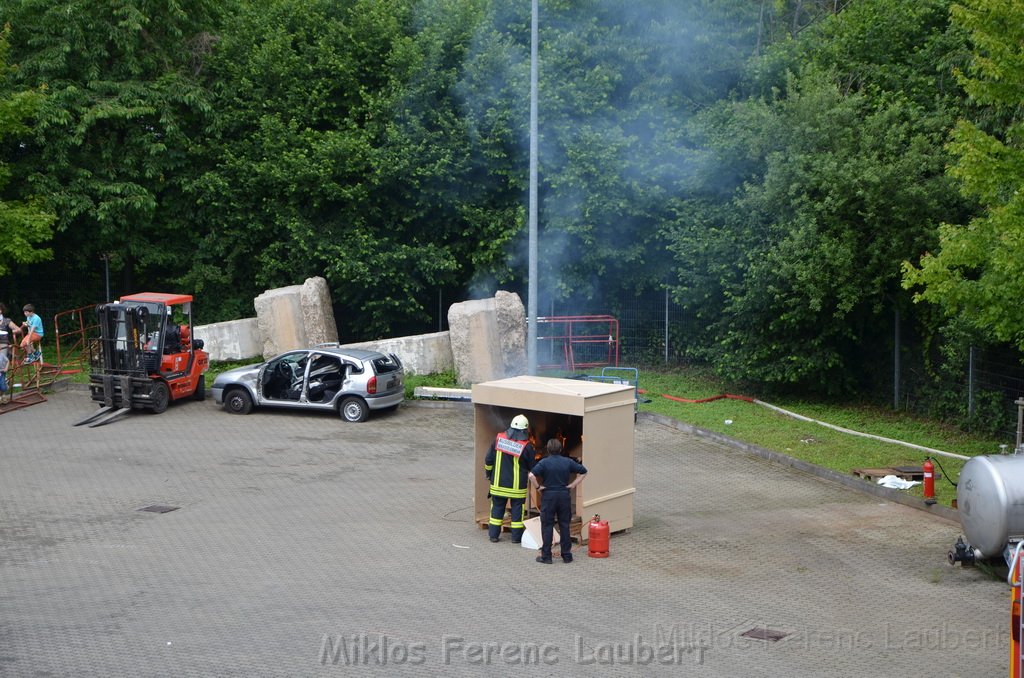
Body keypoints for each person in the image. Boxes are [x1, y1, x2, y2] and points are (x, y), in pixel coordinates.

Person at [529, 438, 587, 564]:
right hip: (563, 496)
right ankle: (567, 556)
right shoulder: (567, 462)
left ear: (548, 450)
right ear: (560, 450)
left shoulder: (544, 463)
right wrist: (573, 485)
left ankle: (546, 557)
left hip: (548, 497)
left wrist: (538, 487)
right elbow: (583, 471)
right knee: (564, 525)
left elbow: (531, 475)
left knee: (547, 525)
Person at [483, 414, 537, 544]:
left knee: (496, 510)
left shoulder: (498, 439)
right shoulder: (527, 446)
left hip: (498, 484)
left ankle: (494, 536)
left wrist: (489, 474)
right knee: (517, 513)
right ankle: (516, 538)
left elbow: (488, 460)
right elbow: (533, 467)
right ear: (525, 430)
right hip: (516, 488)